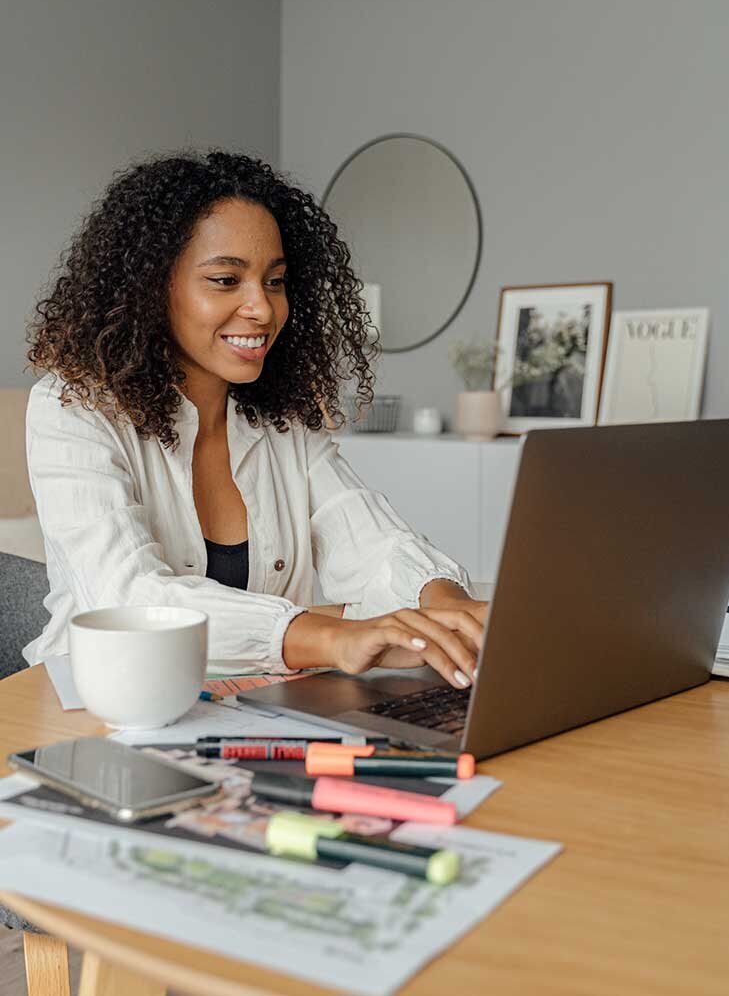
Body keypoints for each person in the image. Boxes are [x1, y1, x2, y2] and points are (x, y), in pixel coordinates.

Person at [23, 149, 486, 689]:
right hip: (102, 705)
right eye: (225, 280)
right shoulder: (74, 409)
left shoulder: (281, 421)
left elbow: (373, 541)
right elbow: (131, 600)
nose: (263, 310)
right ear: (152, 286)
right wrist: (334, 638)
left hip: (254, 706)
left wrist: (449, 605)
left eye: (274, 281)